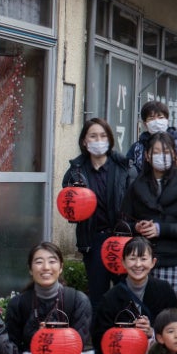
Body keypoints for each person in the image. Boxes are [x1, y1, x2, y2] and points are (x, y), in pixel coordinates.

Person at [92, 237, 177, 354]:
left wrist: (153, 332)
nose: (138, 264)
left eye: (143, 258)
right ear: (123, 262)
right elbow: (99, 336)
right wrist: (126, 338)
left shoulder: (163, 290)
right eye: (132, 259)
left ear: (153, 262)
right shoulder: (111, 297)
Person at [63, 118, 136, 305]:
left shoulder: (124, 168)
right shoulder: (76, 171)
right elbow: (69, 206)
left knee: (125, 295)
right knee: (98, 296)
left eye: (103, 136)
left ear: (110, 140)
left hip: (122, 238)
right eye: (93, 136)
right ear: (84, 141)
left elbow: (136, 203)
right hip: (93, 239)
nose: (98, 140)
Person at [122, 132, 177, 291]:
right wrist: (136, 227)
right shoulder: (136, 185)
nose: (161, 156)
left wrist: (161, 229)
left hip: (173, 260)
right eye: (156, 152)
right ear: (147, 155)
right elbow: (123, 222)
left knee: (169, 304)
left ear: (174, 154)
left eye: (166, 152)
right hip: (141, 260)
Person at [5, 242, 93, 354]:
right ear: (30, 269)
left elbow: (79, 345)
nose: (46, 267)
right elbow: (11, 348)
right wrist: (38, 341)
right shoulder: (18, 304)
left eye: (52, 261)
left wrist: (54, 339)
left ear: (61, 267)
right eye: (39, 262)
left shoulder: (78, 301)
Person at [126, 100, 177, 183]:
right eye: (151, 118)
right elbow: (127, 173)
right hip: (146, 189)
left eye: (160, 117)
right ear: (145, 124)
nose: (156, 121)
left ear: (167, 120)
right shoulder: (137, 148)